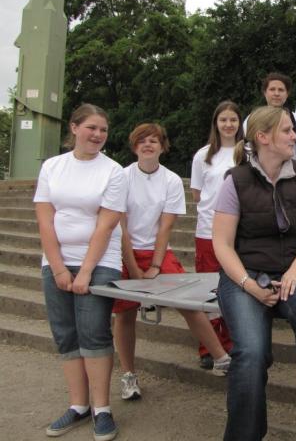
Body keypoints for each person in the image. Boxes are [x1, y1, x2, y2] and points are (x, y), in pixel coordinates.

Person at [212, 106, 296, 441]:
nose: (294, 136)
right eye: (287, 130)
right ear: (263, 137)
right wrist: (247, 284)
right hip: (244, 276)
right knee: (252, 352)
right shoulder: (236, 180)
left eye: (293, 130)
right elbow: (222, 244)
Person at [113, 123, 231, 400]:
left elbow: (165, 228)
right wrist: (132, 268)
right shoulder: (122, 177)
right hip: (124, 250)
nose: (148, 145)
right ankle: (129, 376)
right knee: (124, 314)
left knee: (188, 302)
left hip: (157, 251)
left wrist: (154, 266)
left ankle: (222, 358)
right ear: (134, 146)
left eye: (154, 140)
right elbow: (121, 227)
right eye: (143, 141)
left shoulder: (171, 180)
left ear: (162, 146)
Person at [34, 103, 126, 440]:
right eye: (91, 128)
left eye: (103, 130)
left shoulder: (113, 171)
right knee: (66, 334)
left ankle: (102, 408)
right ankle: (78, 405)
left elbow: (106, 225)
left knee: (93, 332)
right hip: (56, 261)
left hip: (100, 262)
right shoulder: (53, 168)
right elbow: (45, 219)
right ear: (74, 128)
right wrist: (58, 268)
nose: (98, 135)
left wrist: (85, 272)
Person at [190, 101, 242, 369]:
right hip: (207, 231)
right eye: (224, 120)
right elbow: (197, 194)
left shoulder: (246, 152)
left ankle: (233, 344)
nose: (229, 124)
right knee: (208, 287)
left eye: (233, 119)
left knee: (233, 287)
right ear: (216, 123)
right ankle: (209, 347)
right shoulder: (203, 156)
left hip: (237, 231)